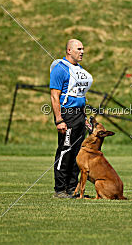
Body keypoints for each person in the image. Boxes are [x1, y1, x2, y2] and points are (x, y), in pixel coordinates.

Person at [49, 39, 93, 198]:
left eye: (83, 49)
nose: (82, 52)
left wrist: (84, 117)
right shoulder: (60, 69)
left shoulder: (79, 70)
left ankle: (73, 190)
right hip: (67, 115)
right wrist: (59, 120)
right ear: (69, 50)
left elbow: (80, 96)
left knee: (77, 153)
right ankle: (60, 189)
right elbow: (55, 97)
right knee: (65, 152)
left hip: (79, 116)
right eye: (78, 49)